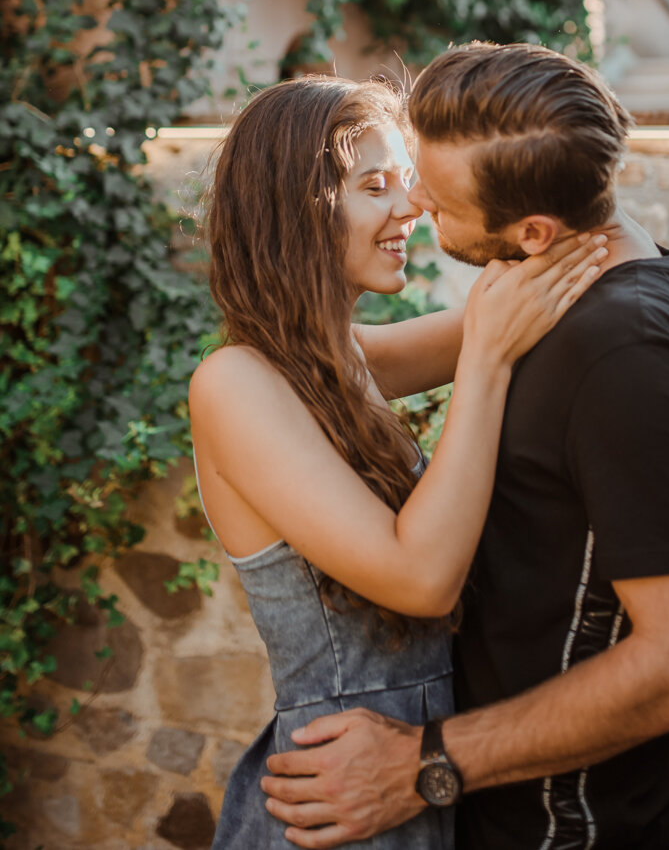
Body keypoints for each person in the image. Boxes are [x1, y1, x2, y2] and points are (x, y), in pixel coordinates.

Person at [261, 43, 669, 850]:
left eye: (437, 202)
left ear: (533, 228)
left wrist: (423, 764)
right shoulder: (569, 270)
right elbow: (349, 360)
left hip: (564, 830)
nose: (416, 206)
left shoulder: (624, 353)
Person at [188, 74, 605, 849]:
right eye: (375, 186)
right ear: (298, 207)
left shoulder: (338, 361)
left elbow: (514, 299)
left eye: (405, 183)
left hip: (409, 779)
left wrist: (587, 222)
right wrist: (485, 365)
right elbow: (421, 579)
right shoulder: (236, 384)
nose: (410, 208)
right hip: (336, 799)